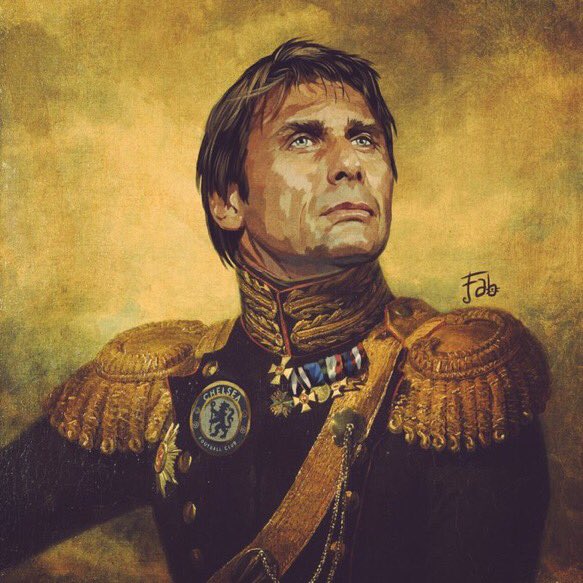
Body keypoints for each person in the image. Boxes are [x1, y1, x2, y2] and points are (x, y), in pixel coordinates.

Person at [0, 39, 550, 583]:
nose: (349, 164)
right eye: (304, 139)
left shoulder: (456, 386)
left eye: (364, 139)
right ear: (227, 200)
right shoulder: (162, 386)